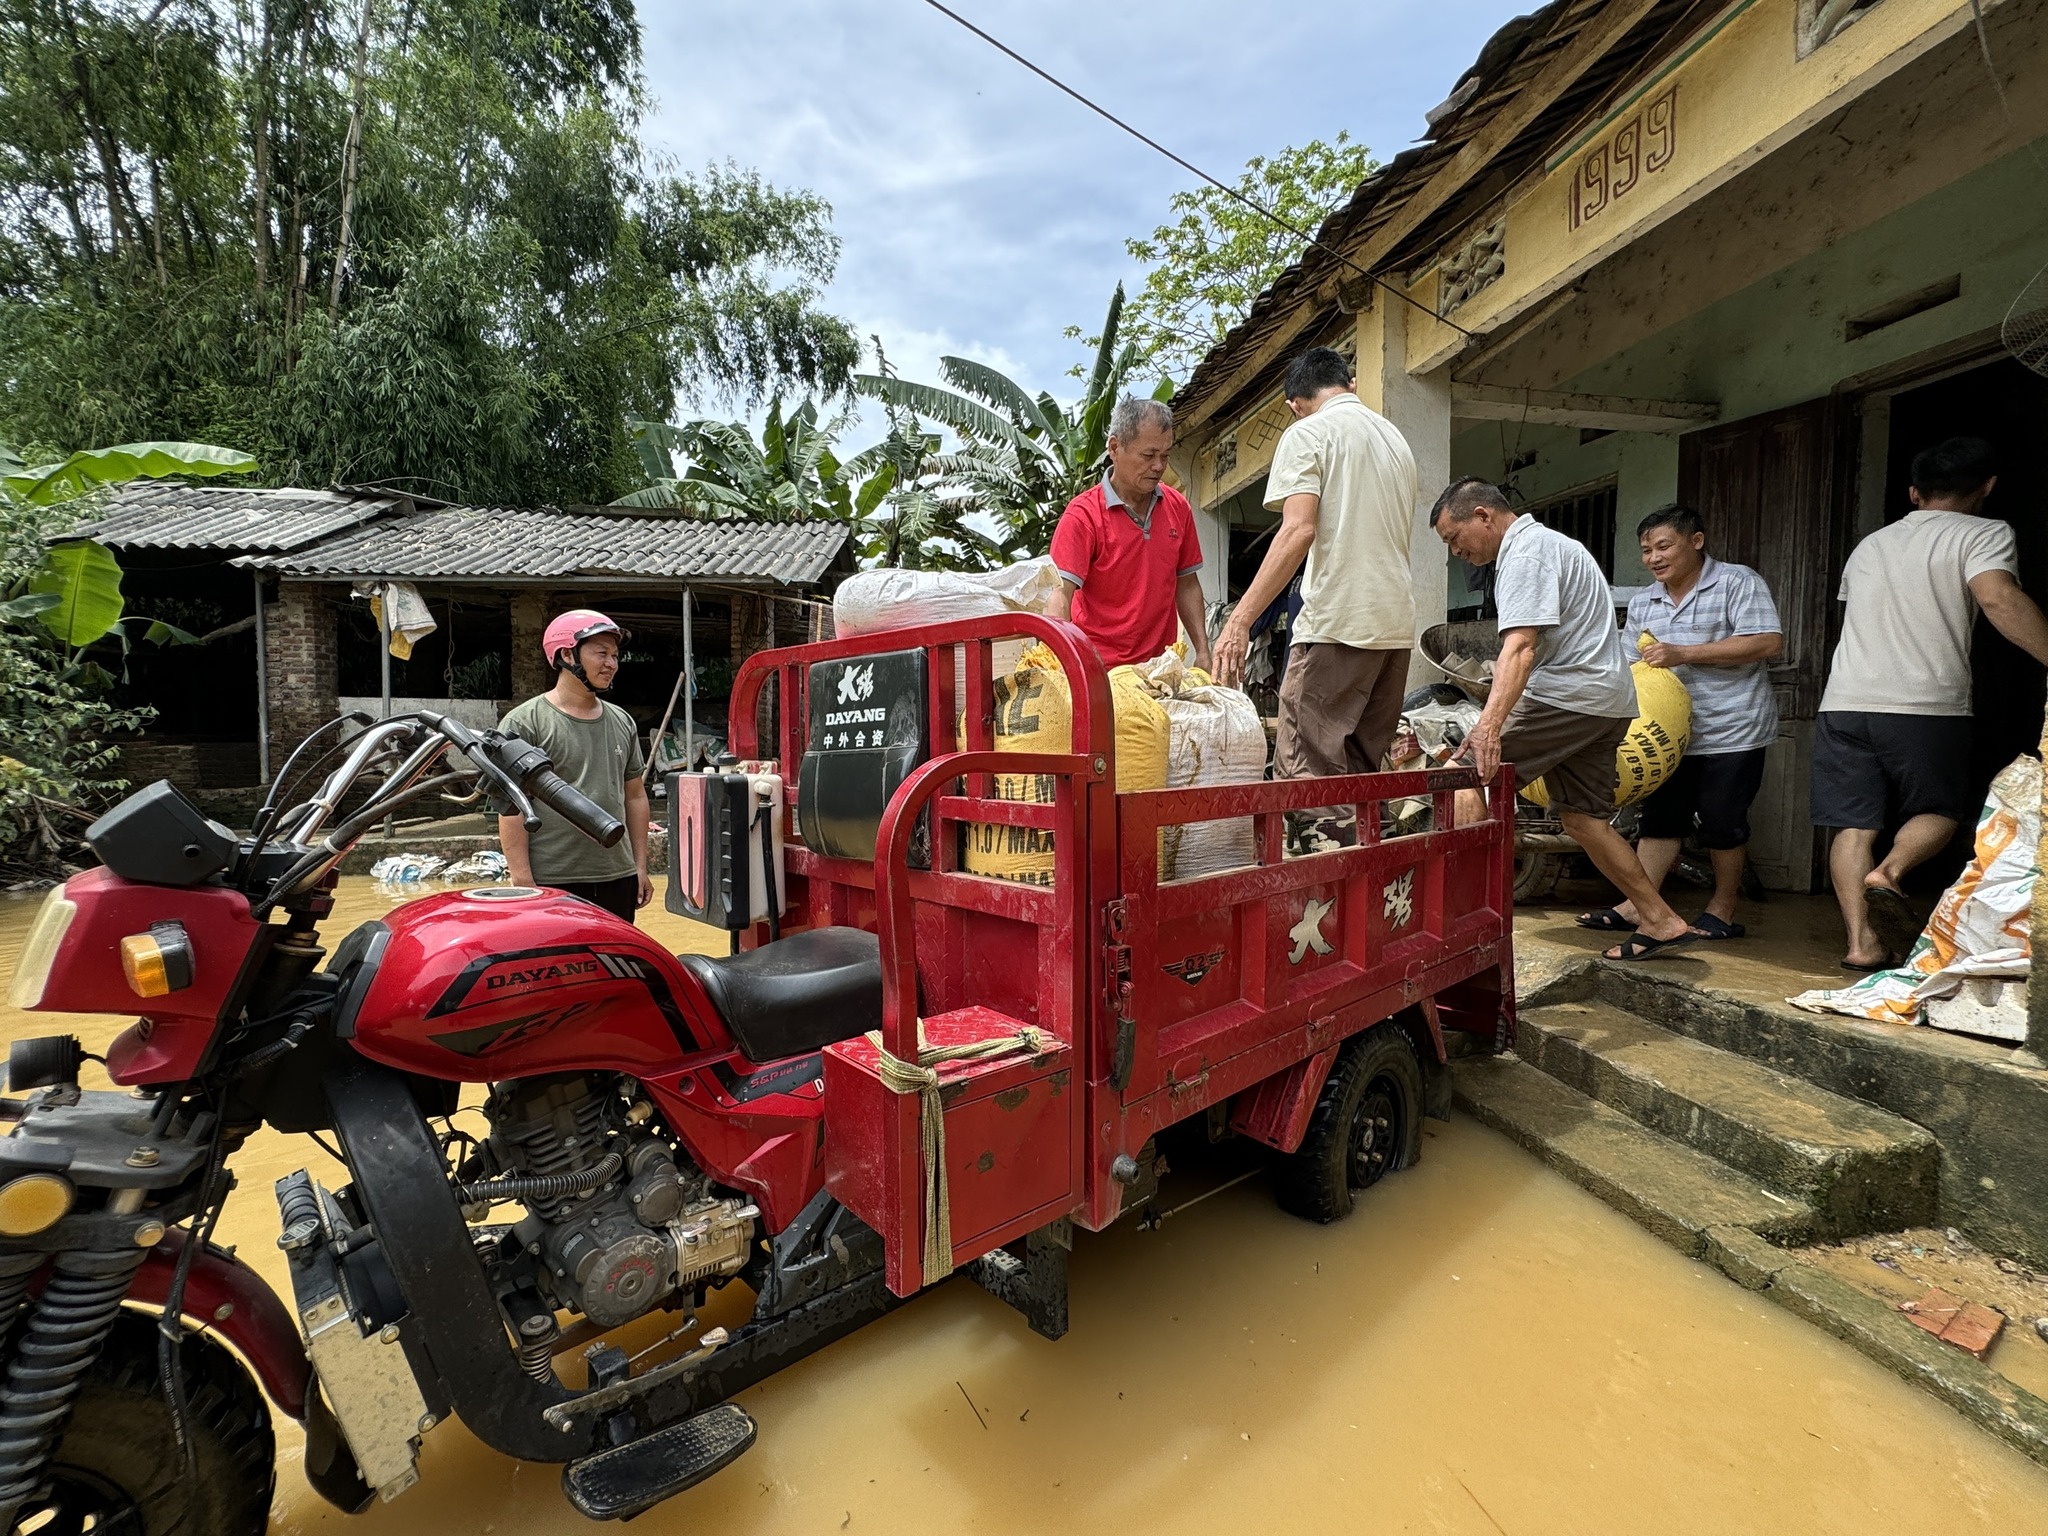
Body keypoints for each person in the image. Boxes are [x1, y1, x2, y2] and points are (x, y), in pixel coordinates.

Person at [1431, 478, 1696, 960]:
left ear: (1484, 516)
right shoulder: (1553, 545)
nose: (1457, 552)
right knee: (1584, 819)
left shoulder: (1527, 554)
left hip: (1568, 697)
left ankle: (1455, 927)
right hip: (1610, 702)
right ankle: (1660, 919)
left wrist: (1487, 728)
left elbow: (1521, 647)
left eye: (1454, 538)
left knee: (1461, 777)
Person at [1814, 437, 2048, 968]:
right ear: (1986, 487)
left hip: (1844, 701)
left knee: (1853, 824)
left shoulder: (1871, 544)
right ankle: (1890, 872)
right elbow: (1997, 597)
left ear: (1915, 493)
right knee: (1939, 809)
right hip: (1925, 704)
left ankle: (1860, 944)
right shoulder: (1985, 531)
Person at [1214, 346, 1418, 851]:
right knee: (1363, 776)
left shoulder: (1308, 432)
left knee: (1310, 780)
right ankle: (1379, 903)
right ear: (1349, 384)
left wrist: (1240, 620)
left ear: (1294, 404)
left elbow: (1297, 530)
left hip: (1336, 625)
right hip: (1394, 630)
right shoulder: (1395, 439)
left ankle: (1324, 909)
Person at [1576, 505, 1783, 941]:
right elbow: (1629, 663)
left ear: (1697, 541)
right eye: (1647, 550)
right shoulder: (1644, 600)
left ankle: (1722, 909)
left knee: (1723, 822)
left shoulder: (1737, 582)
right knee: (1660, 820)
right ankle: (1638, 906)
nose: (1654, 558)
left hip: (1731, 728)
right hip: (1667, 736)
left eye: (1664, 546)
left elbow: (1766, 642)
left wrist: (1683, 653)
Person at [498, 609, 652, 923]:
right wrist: (523, 882)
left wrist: (640, 866)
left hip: (616, 876)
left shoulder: (622, 721)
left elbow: (635, 796)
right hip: (553, 878)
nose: (611, 663)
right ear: (567, 654)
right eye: (601, 653)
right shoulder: (524, 723)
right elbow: (510, 805)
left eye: (614, 655)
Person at [1049, 396, 1211, 672]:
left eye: (1165, 455)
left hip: (1161, 669)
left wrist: (1204, 650)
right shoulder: (1083, 515)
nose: (1159, 466)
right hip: (1100, 671)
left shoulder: (1178, 508)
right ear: (1115, 447)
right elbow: (1059, 595)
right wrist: (1067, 668)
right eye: (1148, 456)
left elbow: (1187, 584)